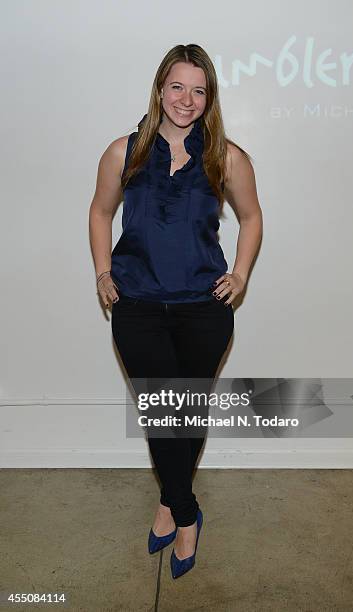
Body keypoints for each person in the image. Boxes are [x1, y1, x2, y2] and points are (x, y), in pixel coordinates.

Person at [89, 43, 263, 579]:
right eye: (177, 87)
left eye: (198, 90)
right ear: (160, 89)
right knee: (160, 413)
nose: (186, 100)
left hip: (203, 309)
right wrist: (102, 272)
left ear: (208, 97)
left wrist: (239, 274)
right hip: (137, 304)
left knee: (184, 416)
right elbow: (99, 211)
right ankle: (187, 516)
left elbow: (253, 218)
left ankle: (169, 501)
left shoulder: (226, 156)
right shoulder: (124, 151)